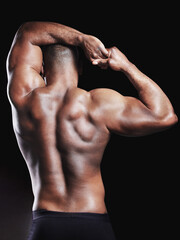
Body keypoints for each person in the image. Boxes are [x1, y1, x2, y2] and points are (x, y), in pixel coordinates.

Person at [6, 22, 178, 240]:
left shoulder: (25, 99)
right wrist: (126, 66)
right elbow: (165, 116)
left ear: (42, 69)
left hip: (46, 224)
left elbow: (27, 33)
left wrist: (80, 39)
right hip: (92, 223)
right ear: (80, 68)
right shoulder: (98, 104)